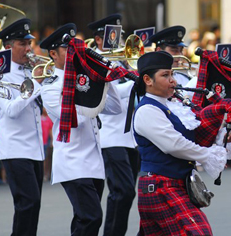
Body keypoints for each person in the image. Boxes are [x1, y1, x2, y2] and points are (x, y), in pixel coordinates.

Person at [133, 51, 231, 235]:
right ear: (148, 80)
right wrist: (208, 156)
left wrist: (220, 137)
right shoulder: (147, 110)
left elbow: (192, 135)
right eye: (165, 75)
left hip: (171, 186)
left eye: (172, 74)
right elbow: (174, 145)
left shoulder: (171, 106)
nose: (173, 80)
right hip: (161, 187)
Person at [40, 23, 123, 236]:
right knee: (91, 217)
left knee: (84, 220)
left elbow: (114, 108)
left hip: (93, 161)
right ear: (53, 54)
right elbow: (73, 115)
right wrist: (91, 78)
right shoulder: (50, 86)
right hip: (73, 162)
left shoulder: (83, 79)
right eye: (68, 49)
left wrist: (106, 78)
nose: (74, 53)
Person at [87, 14, 138, 236]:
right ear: (99, 40)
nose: (118, 43)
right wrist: (137, 83)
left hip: (129, 136)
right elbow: (107, 94)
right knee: (122, 191)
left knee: (127, 193)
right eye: (113, 37)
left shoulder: (121, 61)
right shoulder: (94, 61)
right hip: (109, 135)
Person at [0, 18, 44, 236]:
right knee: (27, 204)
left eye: (29, 43)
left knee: (33, 208)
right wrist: (37, 85)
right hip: (15, 149)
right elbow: (10, 111)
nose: (28, 49)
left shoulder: (29, 70)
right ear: (8, 47)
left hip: (34, 149)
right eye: (22, 44)